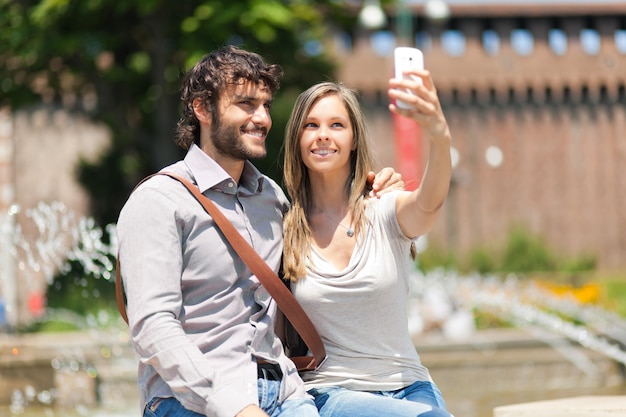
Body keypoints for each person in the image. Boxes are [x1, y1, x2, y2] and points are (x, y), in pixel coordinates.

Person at [116, 45, 402, 417]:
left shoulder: (272, 199)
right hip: (192, 401)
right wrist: (234, 407)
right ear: (202, 109)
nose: (262, 118)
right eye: (246, 104)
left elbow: (326, 232)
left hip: (285, 394)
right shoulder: (159, 200)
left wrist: (370, 194)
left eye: (265, 105)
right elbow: (153, 327)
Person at [281, 75, 454, 417]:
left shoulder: (386, 211)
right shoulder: (283, 227)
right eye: (311, 125)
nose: (323, 135)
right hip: (332, 393)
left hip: (411, 386)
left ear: (354, 138)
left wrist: (439, 135)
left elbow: (429, 203)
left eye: (337, 125)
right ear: (297, 140)